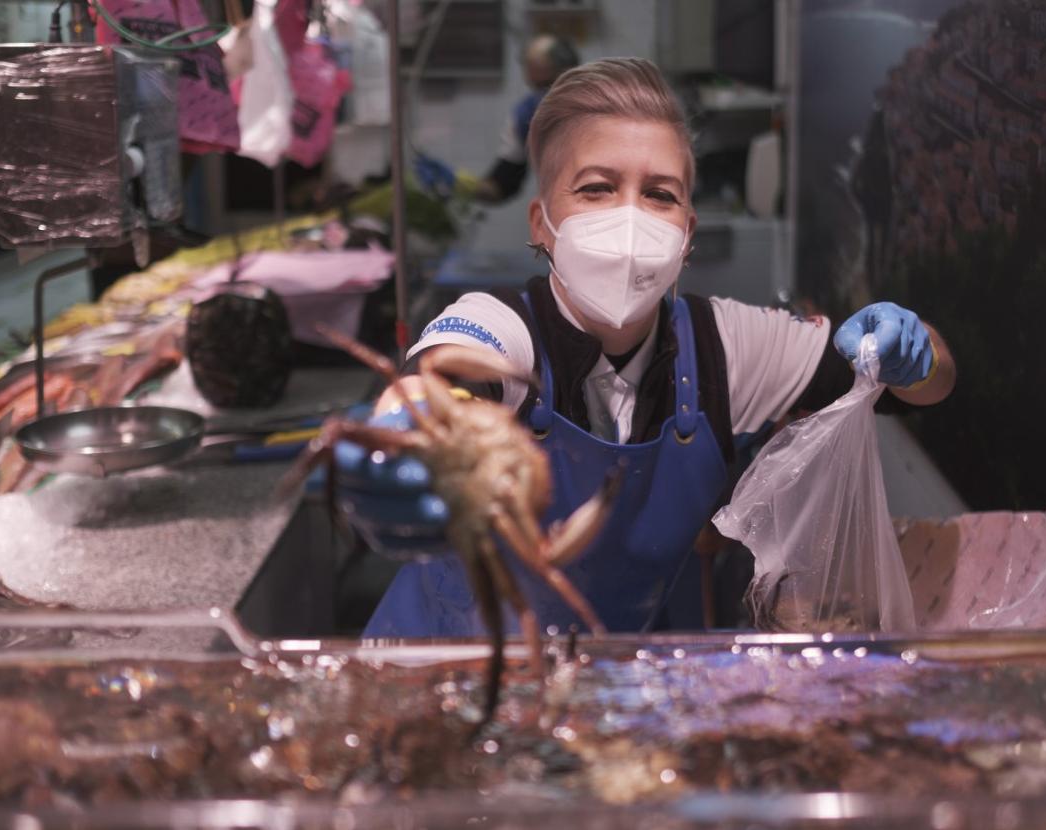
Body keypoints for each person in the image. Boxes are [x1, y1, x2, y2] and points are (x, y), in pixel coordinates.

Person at [349, 58, 956, 637]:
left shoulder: (727, 345)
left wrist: (915, 351)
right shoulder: (500, 325)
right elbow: (438, 381)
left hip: (600, 685)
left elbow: (920, 390)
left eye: (660, 195)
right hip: (442, 667)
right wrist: (411, 437)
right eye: (596, 189)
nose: (630, 220)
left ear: (687, 232)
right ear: (541, 223)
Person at [415, 35, 580, 203]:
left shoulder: (601, 102)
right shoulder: (526, 116)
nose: (551, 98)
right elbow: (500, 186)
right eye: (544, 87)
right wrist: (457, 182)